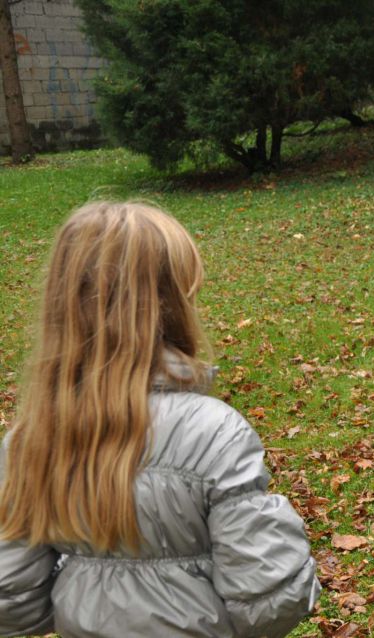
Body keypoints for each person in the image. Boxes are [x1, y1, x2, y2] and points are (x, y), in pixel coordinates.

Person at [0, 201, 320, 638]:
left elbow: (12, 600)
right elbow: (269, 598)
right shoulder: (213, 433)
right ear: (171, 303)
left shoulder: (29, 439)